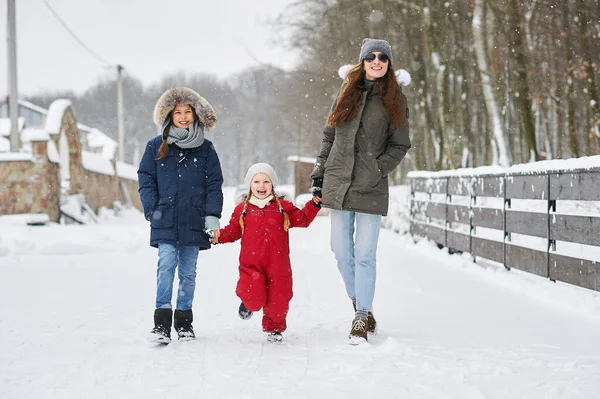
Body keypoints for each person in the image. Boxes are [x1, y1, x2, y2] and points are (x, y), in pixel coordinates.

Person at [310, 38, 412, 344]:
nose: (377, 61)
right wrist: (319, 176)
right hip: (339, 184)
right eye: (371, 56)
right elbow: (329, 136)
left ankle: (361, 315)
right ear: (363, 60)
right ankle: (361, 305)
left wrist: (378, 168)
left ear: (388, 63)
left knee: (365, 255)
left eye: (382, 57)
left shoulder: (396, 99)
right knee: (342, 253)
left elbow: (400, 144)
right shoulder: (346, 93)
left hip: (371, 187)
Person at [138, 87, 224, 344]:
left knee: (188, 272)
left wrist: (212, 216)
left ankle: (184, 322)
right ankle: (161, 324)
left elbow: (214, 184)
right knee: (165, 266)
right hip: (164, 218)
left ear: (196, 115)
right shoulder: (156, 146)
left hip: (194, 221)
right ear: (169, 115)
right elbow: (146, 179)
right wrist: (152, 208)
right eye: (178, 112)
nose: (183, 117)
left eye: (188, 112)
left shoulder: (206, 149)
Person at [212, 163, 321, 342]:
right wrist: (217, 236)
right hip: (251, 264)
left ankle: (275, 329)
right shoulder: (243, 209)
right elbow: (232, 231)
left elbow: (302, 219)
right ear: (250, 184)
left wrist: (314, 205)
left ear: (272, 185)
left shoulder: (283, 208)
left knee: (279, 297)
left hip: (278, 264)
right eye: (256, 182)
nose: (261, 186)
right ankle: (248, 304)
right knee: (253, 295)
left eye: (265, 182)